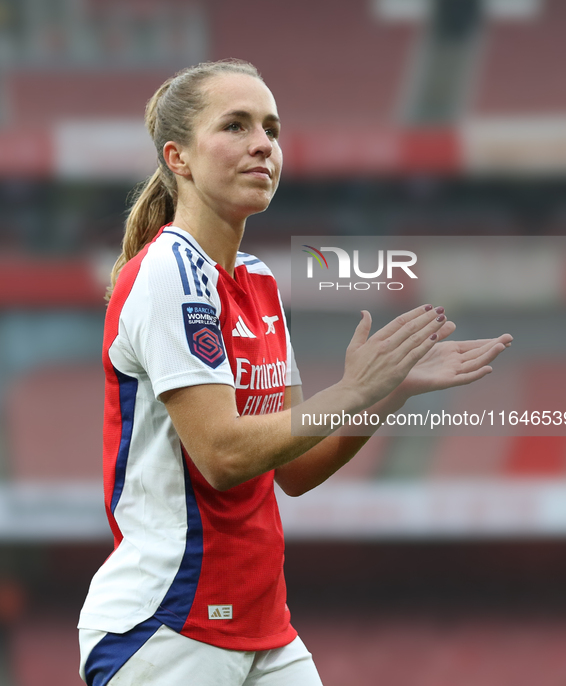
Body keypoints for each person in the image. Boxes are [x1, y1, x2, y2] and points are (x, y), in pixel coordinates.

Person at [78, 59, 512, 686]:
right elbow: (222, 455)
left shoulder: (256, 280)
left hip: (264, 630)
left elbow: (297, 470)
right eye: (235, 125)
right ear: (179, 158)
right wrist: (353, 387)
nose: (263, 144)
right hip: (167, 628)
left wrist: (387, 392)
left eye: (271, 129)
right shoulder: (169, 273)